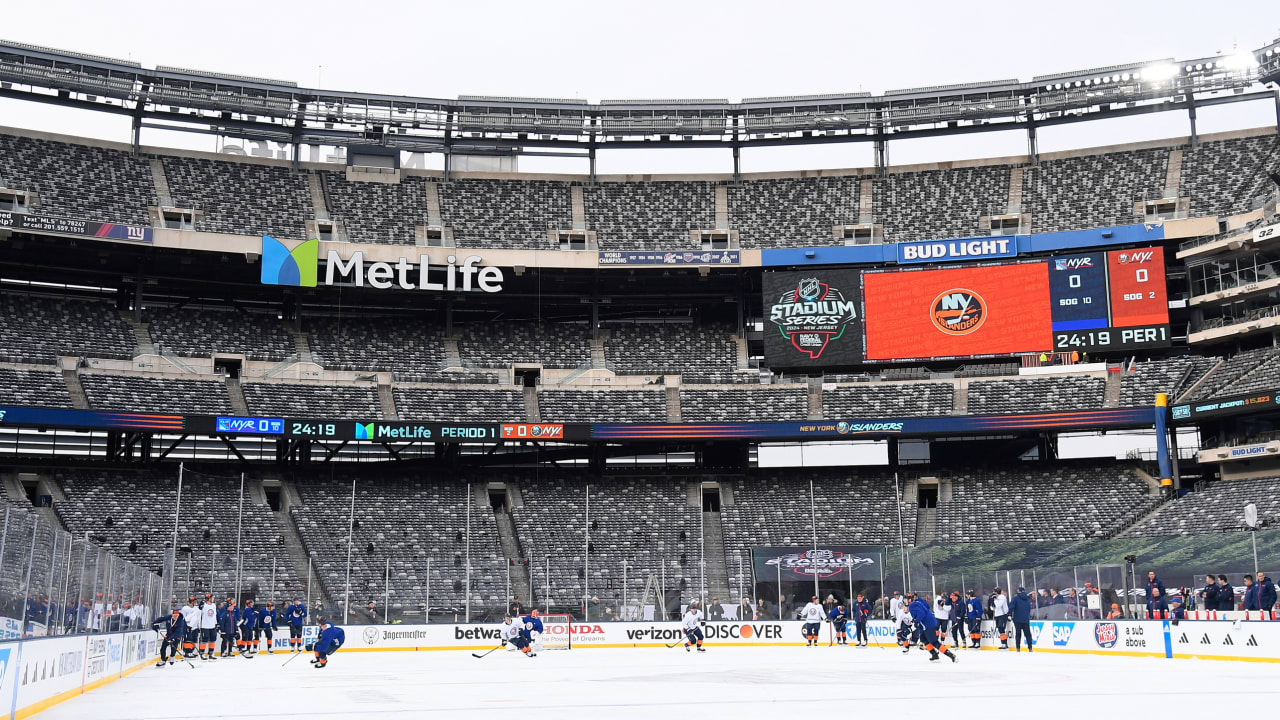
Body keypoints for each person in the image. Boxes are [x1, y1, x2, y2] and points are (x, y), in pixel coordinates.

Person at [907, 594, 956, 663]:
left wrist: (917, 621)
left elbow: (921, 613)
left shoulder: (912, 606)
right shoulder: (919, 601)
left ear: (910, 600)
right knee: (923, 639)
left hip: (927, 624)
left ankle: (951, 655)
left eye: (906, 599)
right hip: (930, 620)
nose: (905, 601)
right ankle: (934, 655)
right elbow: (927, 607)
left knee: (934, 642)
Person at [1010, 587, 1033, 652]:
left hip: (1017, 619)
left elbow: (1012, 606)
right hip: (1026, 619)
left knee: (1018, 634)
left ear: (1019, 591)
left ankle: (1018, 648)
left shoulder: (1015, 598)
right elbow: (1029, 608)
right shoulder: (1027, 599)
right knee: (1028, 634)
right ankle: (1030, 648)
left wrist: (1009, 614)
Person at [197, 594, 219, 660]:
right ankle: (202, 653)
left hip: (212, 626)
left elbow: (214, 615)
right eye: (212, 598)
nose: (213, 599)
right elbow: (199, 614)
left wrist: (216, 623)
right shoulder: (204, 605)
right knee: (204, 640)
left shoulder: (213, 605)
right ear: (209, 599)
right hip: (205, 626)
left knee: (213, 639)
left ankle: (211, 654)